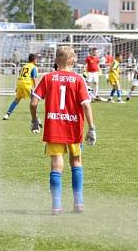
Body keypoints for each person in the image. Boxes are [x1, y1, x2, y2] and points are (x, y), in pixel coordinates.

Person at [30, 46, 96, 215]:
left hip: (54, 127)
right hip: (74, 128)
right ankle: (78, 202)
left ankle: (56, 205)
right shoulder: (79, 79)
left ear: (55, 60)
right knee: (76, 162)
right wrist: (91, 128)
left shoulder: (48, 78)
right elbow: (86, 105)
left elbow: (33, 102)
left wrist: (34, 119)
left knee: (56, 166)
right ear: (73, 61)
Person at [3, 53, 38, 120]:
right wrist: (36, 88)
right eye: (36, 59)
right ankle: (35, 117)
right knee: (34, 100)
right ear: (34, 60)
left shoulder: (24, 66)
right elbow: (34, 78)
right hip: (26, 85)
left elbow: (21, 76)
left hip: (20, 84)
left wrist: (17, 87)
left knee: (16, 100)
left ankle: (7, 114)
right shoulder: (33, 67)